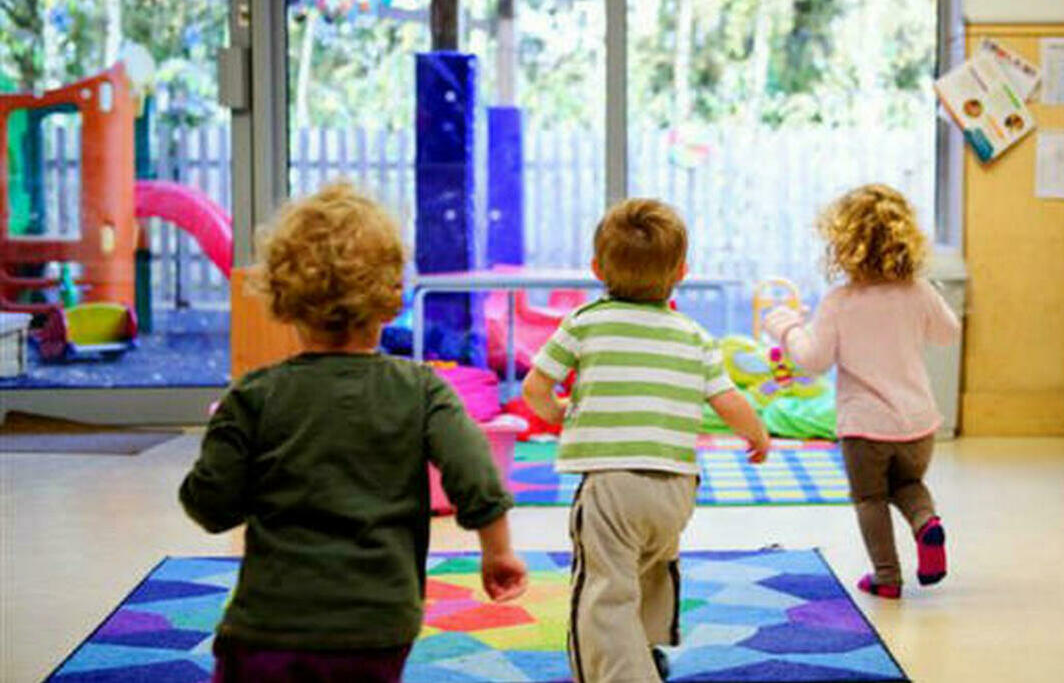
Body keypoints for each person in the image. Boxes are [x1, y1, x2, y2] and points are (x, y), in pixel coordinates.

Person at [179, 182, 528, 682]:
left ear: (282, 298)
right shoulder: (422, 391)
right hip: (377, 625)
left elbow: (211, 505)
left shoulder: (253, 396)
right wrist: (498, 551)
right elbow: (476, 471)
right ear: (392, 297)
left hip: (269, 625)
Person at [522, 198, 768, 682]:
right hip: (677, 488)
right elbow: (728, 400)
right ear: (681, 272)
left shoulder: (585, 322)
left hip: (612, 486)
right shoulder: (693, 335)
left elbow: (535, 388)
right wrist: (756, 433)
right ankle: (647, 646)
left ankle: (626, 673)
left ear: (597, 269)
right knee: (653, 565)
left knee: (604, 589)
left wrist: (559, 414)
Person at [764, 184, 959, 600]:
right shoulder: (919, 292)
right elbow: (948, 333)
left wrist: (788, 329)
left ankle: (886, 577)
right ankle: (927, 524)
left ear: (843, 246)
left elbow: (813, 360)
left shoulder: (841, 301)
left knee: (870, 498)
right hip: (918, 424)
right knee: (908, 485)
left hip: (865, 428)